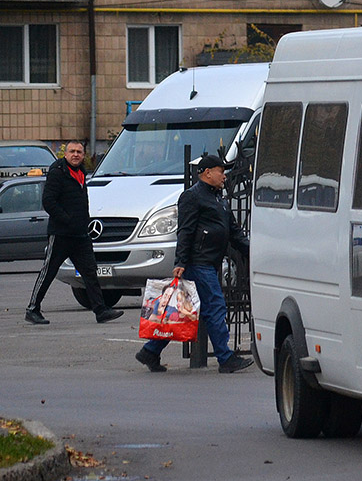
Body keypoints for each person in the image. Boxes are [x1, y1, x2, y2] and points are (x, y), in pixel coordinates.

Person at [135, 154, 253, 374]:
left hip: (209, 261)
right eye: (221, 171)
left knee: (184, 311)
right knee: (215, 306)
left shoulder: (219, 198)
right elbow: (185, 230)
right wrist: (180, 261)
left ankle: (150, 351)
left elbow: (234, 232)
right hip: (199, 262)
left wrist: (253, 252)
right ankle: (225, 358)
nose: (224, 176)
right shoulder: (192, 196)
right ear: (207, 173)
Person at [25, 141, 125, 325]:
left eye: (79, 152)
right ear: (66, 154)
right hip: (61, 234)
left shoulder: (81, 173)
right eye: (72, 151)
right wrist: (66, 219)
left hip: (80, 235)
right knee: (49, 271)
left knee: (90, 272)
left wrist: (83, 223)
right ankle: (32, 309)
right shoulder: (57, 171)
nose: (76, 155)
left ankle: (100, 310)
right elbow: (48, 202)